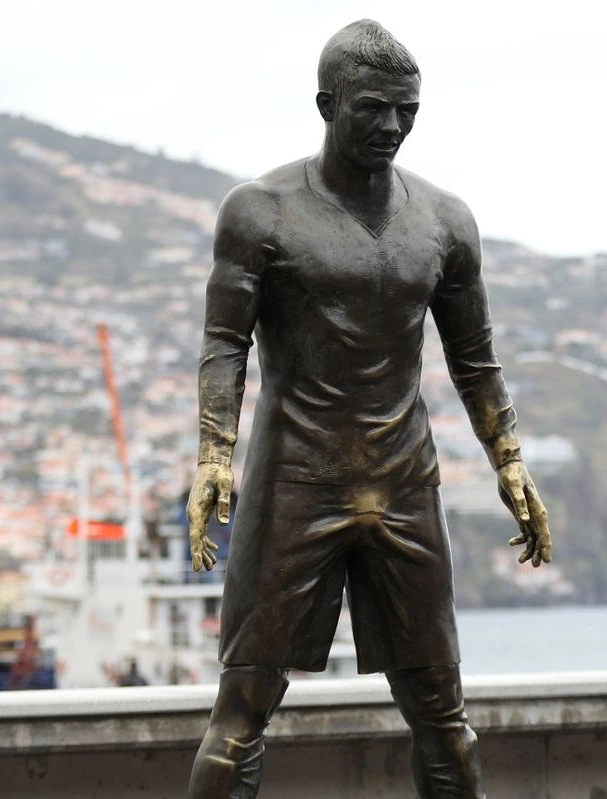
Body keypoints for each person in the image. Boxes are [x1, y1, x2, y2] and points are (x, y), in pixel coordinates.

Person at [185, 19, 553, 798]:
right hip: (293, 482)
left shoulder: (445, 222)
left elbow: (475, 358)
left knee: (445, 718)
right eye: (373, 108)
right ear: (327, 105)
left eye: (407, 110)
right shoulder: (259, 213)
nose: (392, 125)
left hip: (404, 482)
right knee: (242, 709)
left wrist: (510, 458)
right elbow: (224, 345)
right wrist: (215, 455)